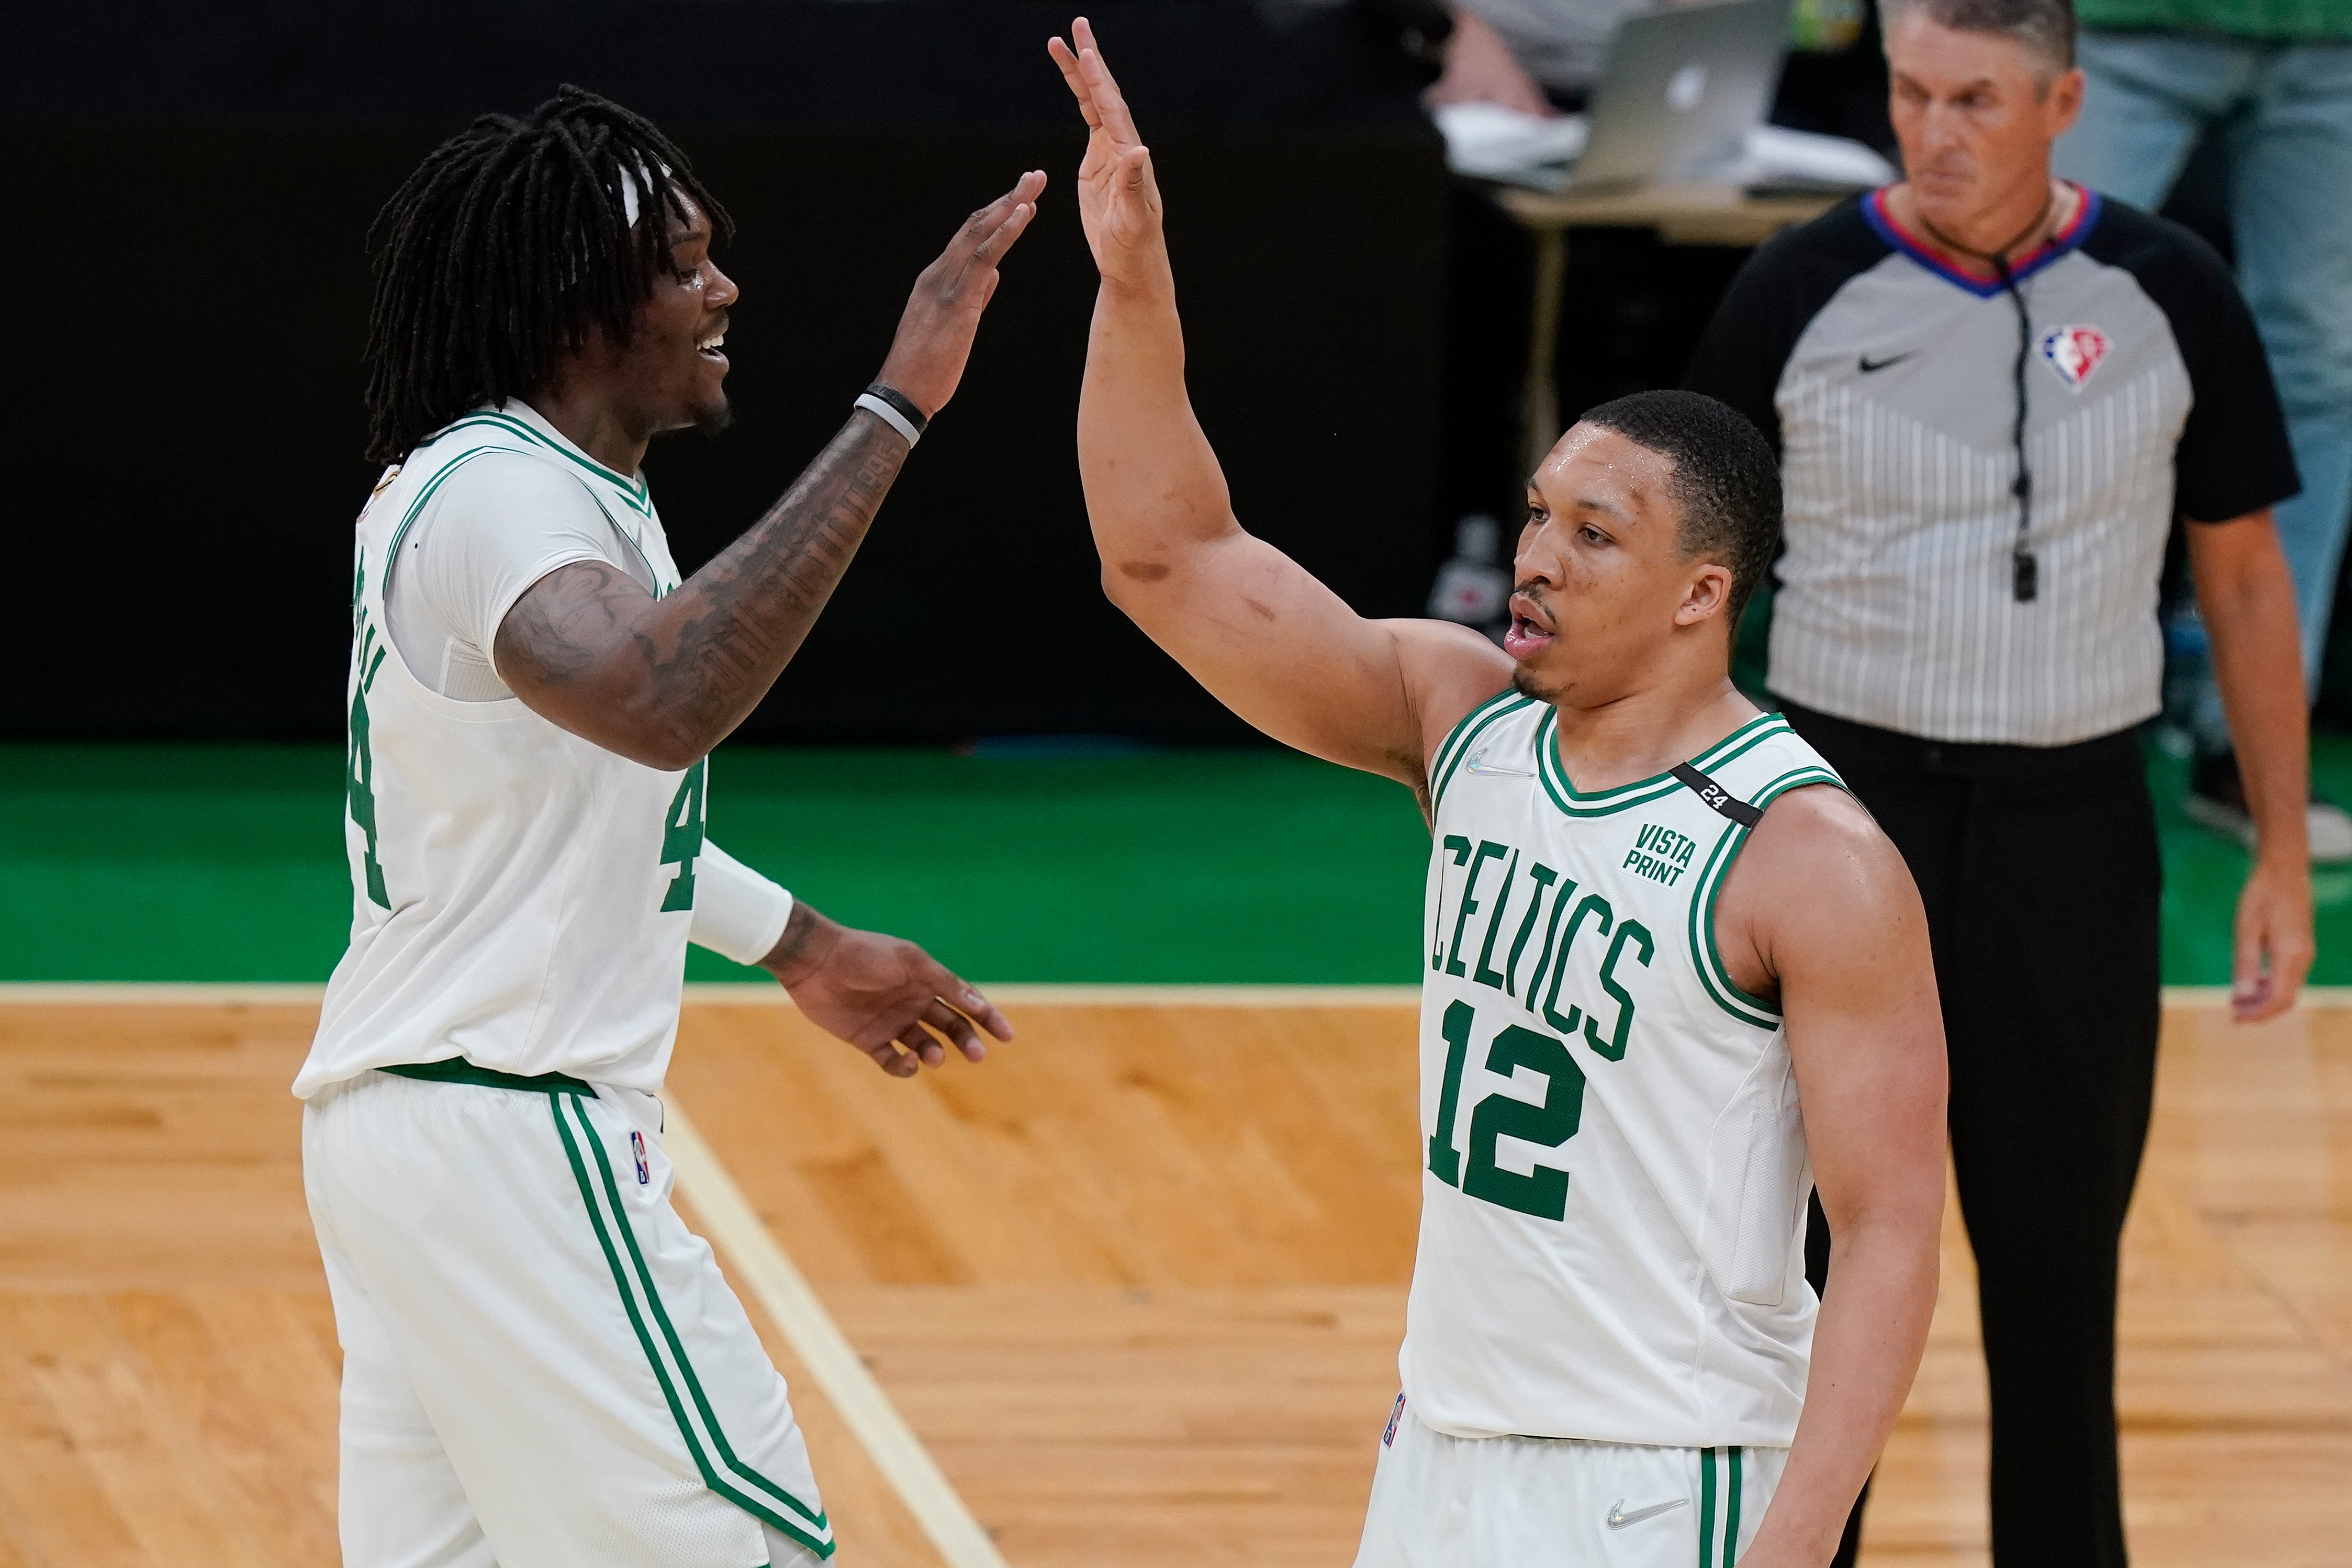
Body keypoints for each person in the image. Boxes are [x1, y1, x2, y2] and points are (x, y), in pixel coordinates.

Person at [1050, 19, 1947, 1567]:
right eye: (1536, 517)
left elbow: (1887, 1231)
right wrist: (1132, 282)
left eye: (1592, 536)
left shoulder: (1807, 858)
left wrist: (1799, 1539)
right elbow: (1167, 561)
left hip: (1665, 1475)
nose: (1533, 559)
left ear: (1698, 592)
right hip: (1443, 1445)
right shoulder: (1460, 718)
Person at [300, 87, 1036, 1567]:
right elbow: (662, 702)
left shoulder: (545, 494)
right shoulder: (502, 494)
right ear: (576, 303)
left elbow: (572, 818)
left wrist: (801, 942)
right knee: (753, 1551)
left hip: (411, 1138)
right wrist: (895, 406)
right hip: (516, 1132)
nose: (725, 291)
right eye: (686, 263)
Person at [1682, 2, 2316, 1563]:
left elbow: (2241, 582)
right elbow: (1688, 568)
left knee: (2053, 1283)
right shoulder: (1799, 285)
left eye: (1975, 99)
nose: (1934, 131)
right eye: (1909, 93)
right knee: (1811, 1274)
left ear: (2064, 105)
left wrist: (2282, 855)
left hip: (2073, 832)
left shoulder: (2172, 292)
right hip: (1839, 827)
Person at [2054, 0, 2352, 857]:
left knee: (2321, 370)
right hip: (2113, 23)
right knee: (2044, 347)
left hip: (2334, 38)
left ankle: (2254, 750)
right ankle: (2012, 730)